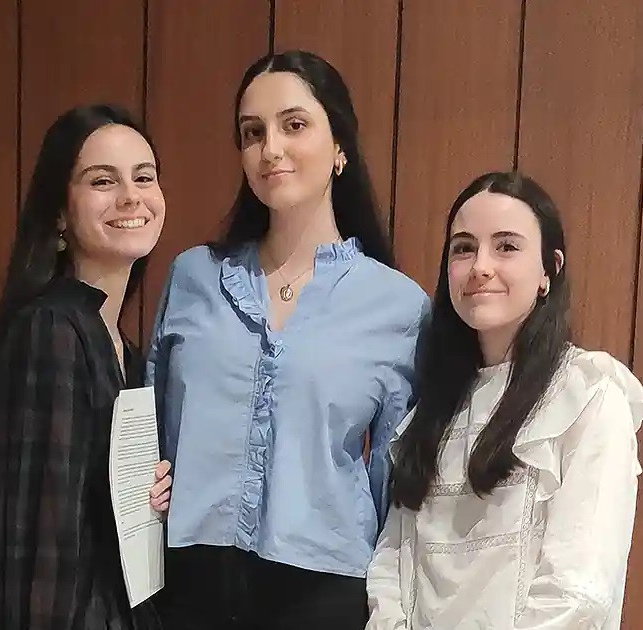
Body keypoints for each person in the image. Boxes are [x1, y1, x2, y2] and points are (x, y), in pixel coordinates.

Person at [142, 49, 429, 630]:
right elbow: (156, 430)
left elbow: (394, 483)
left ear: (340, 146)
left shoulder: (398, 306)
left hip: (323, 591)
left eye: (294, 125)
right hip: (191, 584)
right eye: (253, 133)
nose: (270, 148)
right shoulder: (193, 276)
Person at [365, 171, 643, 629]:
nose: (480, 266)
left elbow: (580, 591)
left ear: (548, 271)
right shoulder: (432, 410)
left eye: (506, 246)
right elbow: (391, 563)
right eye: (463, 248)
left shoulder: (589, 395)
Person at [0, 104, 166, 630]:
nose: (131, 196)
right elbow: (30, 563)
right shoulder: (49, 331)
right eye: (103, 180)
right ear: (58, 214)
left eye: (144, 177)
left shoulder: (123, 350)